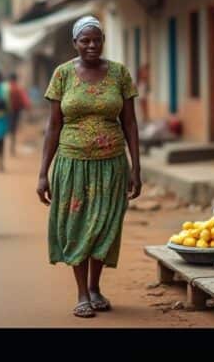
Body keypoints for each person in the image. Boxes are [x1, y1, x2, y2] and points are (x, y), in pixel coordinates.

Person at [36, 16, 141, 319]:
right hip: (72, 164)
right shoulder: (62, 74)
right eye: (85, 40)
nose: (92, 45)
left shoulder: (120, 74)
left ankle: (95, 287)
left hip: (112, 165)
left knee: (104, 226)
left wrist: (136, 167)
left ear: (103, 41)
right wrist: (43, 173)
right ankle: (82, 293)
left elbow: (131, 123)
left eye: (97, 39)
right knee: (77, 225)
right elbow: (53, 126)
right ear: (75, 43)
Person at [7, 72, 30, 158]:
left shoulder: (6, 87)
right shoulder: (19, 88)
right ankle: (12, 145)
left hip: (7, 112)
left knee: (10, 128)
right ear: (16, 79)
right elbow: (25, 100)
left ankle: (10, 145)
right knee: (14, 129)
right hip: (16, 111)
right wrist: (27, 108)